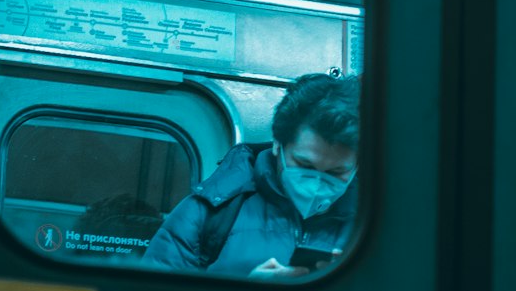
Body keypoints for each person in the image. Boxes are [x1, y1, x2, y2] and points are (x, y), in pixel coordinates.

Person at [141, 73, 359, 279]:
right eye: (304, 165)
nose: (316, 185)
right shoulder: (209, 213)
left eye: (336, 172)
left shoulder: (375, 225)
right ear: (277, 145)